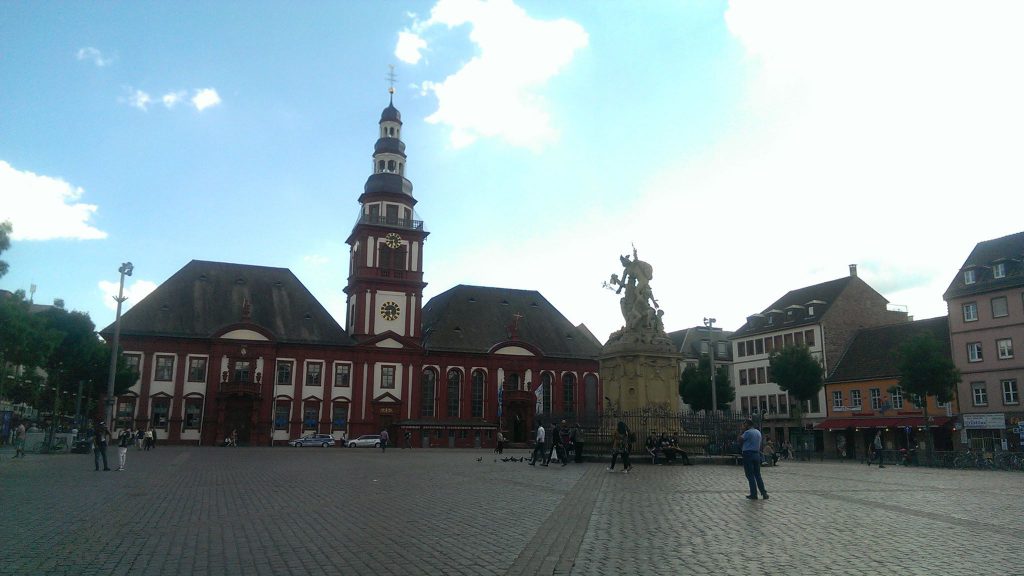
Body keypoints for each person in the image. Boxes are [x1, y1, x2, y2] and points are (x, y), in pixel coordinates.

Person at [738, 419, 768, 500]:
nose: (743, 426)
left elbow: (739, 440)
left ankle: (754, 494)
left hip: (748, 454)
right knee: (758, 475)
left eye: (744, 425)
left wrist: (741, 431)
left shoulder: (747, 432)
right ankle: (764, 492)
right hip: (756, 454)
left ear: (747, 425)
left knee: (750, 475)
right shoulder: (758, 432)